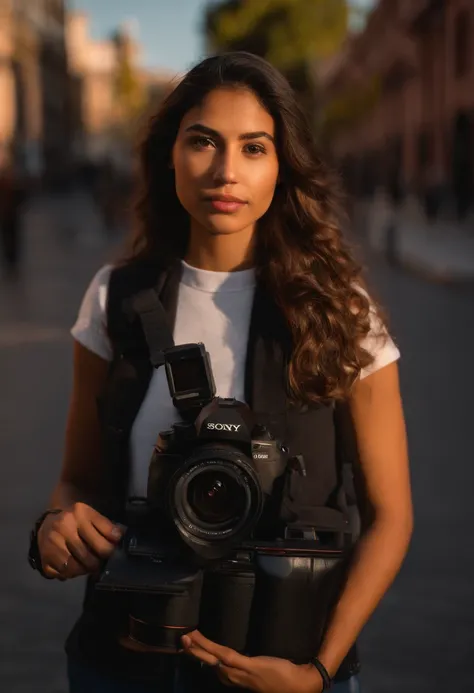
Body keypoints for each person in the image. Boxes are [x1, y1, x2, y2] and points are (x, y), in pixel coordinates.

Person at [29, 52, 413, 693]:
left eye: (254, 147)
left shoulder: (339, 309)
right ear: (169, 155)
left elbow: (391, 516)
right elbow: (76, 481)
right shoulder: (114, 298)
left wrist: (316, 672)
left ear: (281, 165)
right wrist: (56, 528)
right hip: (125, 660)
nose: (226, 171)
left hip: (287, 666)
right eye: (203, 141)